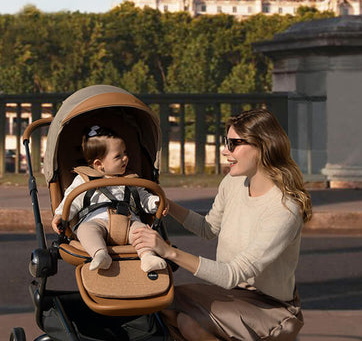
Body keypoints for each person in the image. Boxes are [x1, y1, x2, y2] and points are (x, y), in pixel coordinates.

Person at [132, 108, 312, 341]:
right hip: (229, 295)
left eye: (234, 143)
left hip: (270, 307)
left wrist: (168, 252)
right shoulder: (233, 182)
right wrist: (169, 205)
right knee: (157, 302)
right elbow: (208, 229)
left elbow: (232, 274)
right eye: (225, 141)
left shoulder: (284, 209)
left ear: (263, 146)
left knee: (188, 323)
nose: (225, 150)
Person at [52, 125, 167, 273]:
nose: (125, 158)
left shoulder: (131, 180)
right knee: (85, 230)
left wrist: (155, 203)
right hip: (95, 220)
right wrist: (61, 214)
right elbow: (71, 199)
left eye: (125, 153)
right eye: (118, 156)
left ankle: (147, 256)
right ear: (99, 164)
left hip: (128, 221)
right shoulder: (84, 180)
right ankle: (100, 254)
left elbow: (144, 198)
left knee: (143, 230)